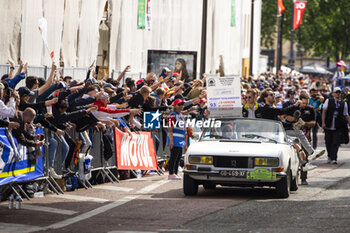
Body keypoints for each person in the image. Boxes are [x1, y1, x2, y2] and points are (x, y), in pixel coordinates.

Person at [322, 87, 350, 164]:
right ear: (333, 93)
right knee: (328, 142)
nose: (338, 94)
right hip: (328, 124)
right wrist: (323, 122)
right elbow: (324, 111)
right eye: (336, 92)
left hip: (338, 126)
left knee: (336, 142)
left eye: (339, 93)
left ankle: (334, 158)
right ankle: (329, 156)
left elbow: (346, 114)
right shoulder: (328, 101)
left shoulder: (344, 103)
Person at [167, 99, 186, 180]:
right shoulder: (172, 115)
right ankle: (171, 173)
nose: (181, 106)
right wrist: (171, 141)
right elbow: (170, 129)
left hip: (180, 140)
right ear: (175, 106)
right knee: (173, 157)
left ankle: (175, 173)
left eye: (182, 104)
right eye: (179, 104)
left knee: (178, 157)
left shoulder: (181, 115)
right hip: (174, 139)